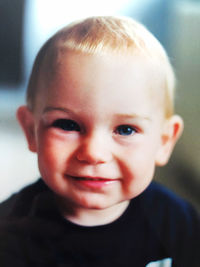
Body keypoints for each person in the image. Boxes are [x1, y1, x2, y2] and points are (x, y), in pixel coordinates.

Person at [0, 16, 199, 267]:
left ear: (164, 142)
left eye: (126, 129)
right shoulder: (10, 237)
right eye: (68, 125)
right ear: (31, 131)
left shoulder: (178, 221)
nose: (94, 153)